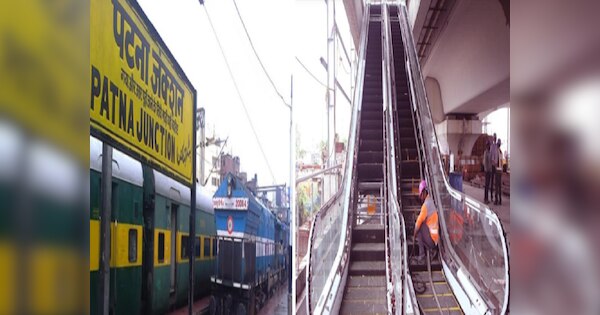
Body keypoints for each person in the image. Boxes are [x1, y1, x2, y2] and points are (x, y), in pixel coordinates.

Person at [414, 180, 439, 262]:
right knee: (422, 224)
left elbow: (418, 222)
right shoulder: (431, 201)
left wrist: (414, 233)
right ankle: (432, 250)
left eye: (421, 194)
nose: (420, 197)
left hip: (432, 240)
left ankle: (422, 256)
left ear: (424, 192)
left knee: (419, 227)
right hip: (435, 239)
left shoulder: (426, 205)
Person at [494, 139, 503, 205]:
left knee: (497, 186)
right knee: (499, 186)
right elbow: (502, 162)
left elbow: (495, 161)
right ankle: (500, 200)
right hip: (500, 170)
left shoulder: (496, 152)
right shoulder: (501, 152)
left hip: (497, 170)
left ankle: (496, 200)